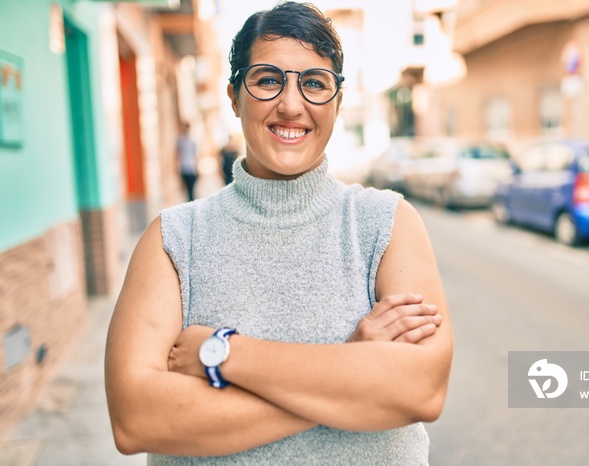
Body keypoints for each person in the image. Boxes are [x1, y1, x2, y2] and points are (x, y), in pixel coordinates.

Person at [105, 2, 452, 465]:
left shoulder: (385, 222)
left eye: (314, 83)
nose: (292, 105)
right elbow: (136, 419)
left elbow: (420, 388)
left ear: (338, 100)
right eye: (268, 80)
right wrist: (352, 369)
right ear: (234, 96)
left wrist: (224, 353)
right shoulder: (173, 240)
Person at [176, 123, 198, 201]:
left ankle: (191, 201)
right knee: (186, 190)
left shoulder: (192, 142)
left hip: (191, 168)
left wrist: (196, 168)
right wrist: (177, 168)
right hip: (184, 168)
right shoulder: (180, 141)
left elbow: (195, 156)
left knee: (192, 189)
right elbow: (177, 155)